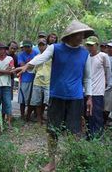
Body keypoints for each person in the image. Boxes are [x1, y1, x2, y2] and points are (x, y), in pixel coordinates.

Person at [15, 20, 93, 172]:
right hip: (57, 95)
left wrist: (89, 97)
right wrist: (27, 66)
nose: (82, 38)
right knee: (52, 131)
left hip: (76, 98)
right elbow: (41, 58)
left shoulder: (85, 53)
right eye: (79, 34)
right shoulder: (55, 48)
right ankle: (52, 163)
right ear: (71, 35)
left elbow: (87, 78)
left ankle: (73, 161)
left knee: (75, 132)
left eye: (83, 35)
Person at [85, 36, 110, 138]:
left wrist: (106, 84)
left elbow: (108, 71)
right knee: (87, 113)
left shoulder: (103, 56)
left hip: (98, 90)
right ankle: (89, 133)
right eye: (88, 45)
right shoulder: (86, 57)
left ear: (97, 45)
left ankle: (98, 135)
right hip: (87, 89)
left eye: (92, 45)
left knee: (97, 114)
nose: (90, 47)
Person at [0, 43, 14, 129]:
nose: (1, 50)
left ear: (5, 50)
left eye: (3, 49)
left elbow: (11, 71)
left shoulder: (10, 59)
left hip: (7, 84)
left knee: (7, 103)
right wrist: (6, 71)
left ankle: (8, 123)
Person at [29, 38, 51, 125]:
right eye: (40, 45)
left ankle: (45, 117)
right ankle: (39, 118)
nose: (42, 47)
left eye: (43, 45)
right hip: (37, 81)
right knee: (37, 101)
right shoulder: (36, 57)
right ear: (38, 47)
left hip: (48, 82)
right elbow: (33, 69)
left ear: (46, 46)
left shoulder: (51, 57)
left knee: (47, 101)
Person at [17, 40, 39, 120]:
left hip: (35, 78)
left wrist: (29, 65)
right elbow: (22, 66)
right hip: (24, 79)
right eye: (25, 47)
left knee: (33, 98)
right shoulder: (21, 55)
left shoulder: (36, 53)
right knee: (22, 99)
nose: (26, 48)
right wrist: (32, 64)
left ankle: (31, 115)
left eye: (28, 47)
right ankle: (22, 115)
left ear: (31, 46)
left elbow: (38, 64)